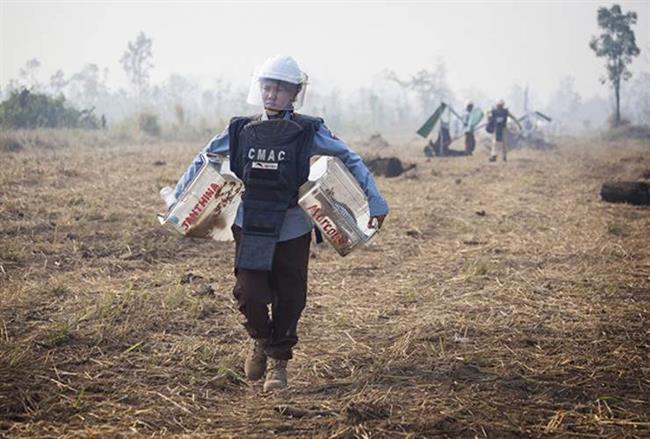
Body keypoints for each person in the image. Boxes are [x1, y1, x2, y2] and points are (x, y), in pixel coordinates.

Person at [171, 55, 389, 392]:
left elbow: (349, 157)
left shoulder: (308, 131)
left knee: (291, 296)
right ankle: (259, 338)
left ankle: (278, 363)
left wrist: (375, 201)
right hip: (251, 221)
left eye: (280, 88)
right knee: (249, 293)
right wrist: (178, 197)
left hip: (292, 225)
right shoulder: (240, 129)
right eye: (267, 86)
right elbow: (205, 157)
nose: (272, 94)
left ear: (294, 93)